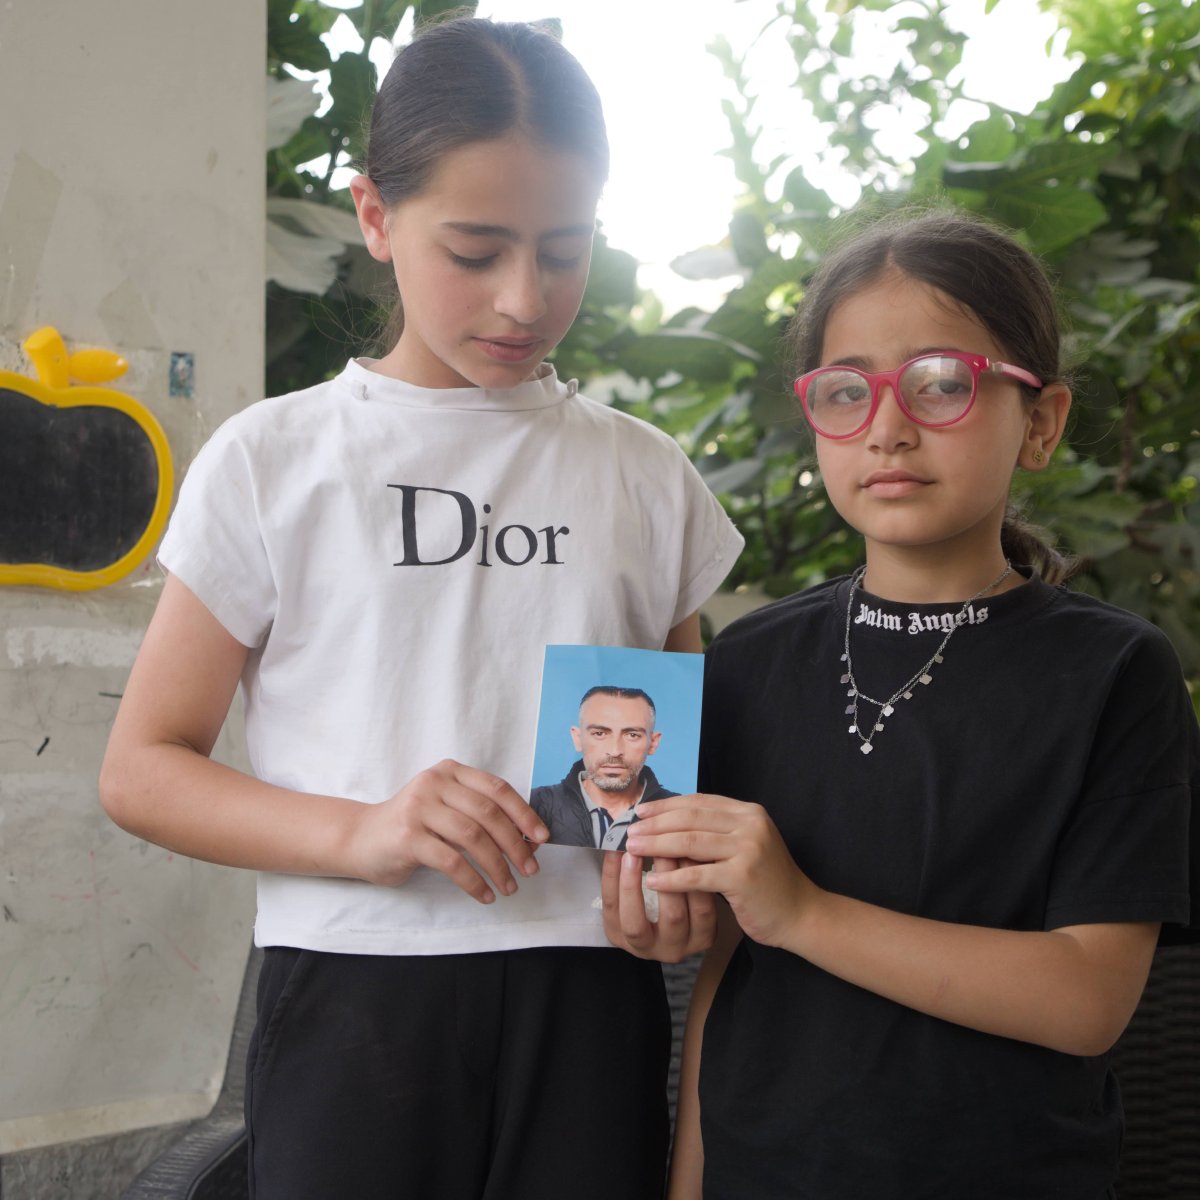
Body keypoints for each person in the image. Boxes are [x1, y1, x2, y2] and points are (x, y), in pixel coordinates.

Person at [99, 17, 740, 1200]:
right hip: (353, 987)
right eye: (477, 247)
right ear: (377, 216)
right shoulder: (274, 460)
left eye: (563, 247)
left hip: (589, 997)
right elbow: (142, 768)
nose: (522, 296)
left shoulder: (644, 476)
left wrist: (671, 905)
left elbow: (675, 781)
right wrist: (365, 833)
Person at [602, 210, 1200, 1199]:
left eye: (941, 384)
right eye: (847, 390)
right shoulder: (750, 662)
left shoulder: (1113, 673)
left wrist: (804, 910)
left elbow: (1088, 998)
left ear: (1041, 421)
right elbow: (729, 974)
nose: (887, 425)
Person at [532, 686, 677, 849]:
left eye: (632, 735)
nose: (615, 751)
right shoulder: (533, 804)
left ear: (653, 743)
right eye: (599, 733)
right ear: (578, 738)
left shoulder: (679, 812)